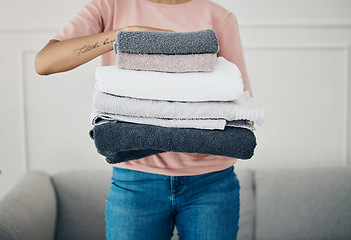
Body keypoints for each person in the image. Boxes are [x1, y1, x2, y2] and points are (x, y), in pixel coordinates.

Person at [35, 0, 252, 239]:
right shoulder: (110, 6)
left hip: (211, 183)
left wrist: (198, 142)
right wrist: (126, 35)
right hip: (135, 182)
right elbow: (44, 62)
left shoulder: (218, 17)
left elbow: (240, 107)